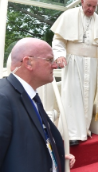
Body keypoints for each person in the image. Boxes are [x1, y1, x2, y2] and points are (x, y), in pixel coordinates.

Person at [51, 0, 98, 146]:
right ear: (82, 2)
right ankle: (71, 134)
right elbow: (58, 39)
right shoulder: (68, 16)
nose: (91, 9)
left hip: (91, 64)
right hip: (72, 62)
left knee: (87, 97)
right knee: (72, 97)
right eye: (88, 5)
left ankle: (83, 131)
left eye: (94, 6)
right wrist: (59, 55)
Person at [0, 38, 75, 171]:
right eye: (49, 60)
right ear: (28, 62)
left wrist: (55, 160)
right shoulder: (3, 98)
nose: (54, 65)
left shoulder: (30, 95)